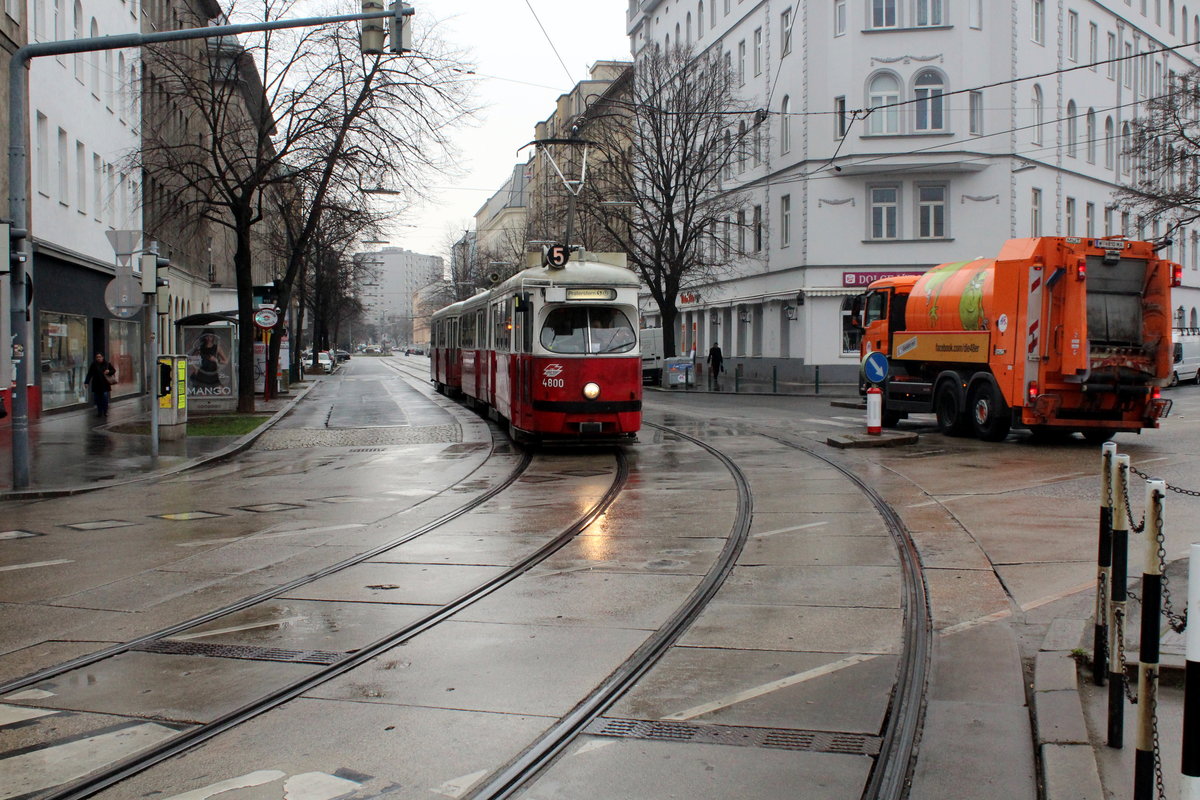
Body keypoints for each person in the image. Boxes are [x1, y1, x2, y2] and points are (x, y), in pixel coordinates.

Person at [84, 352, 117, 417]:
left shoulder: (107, 364)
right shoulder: (93, 365)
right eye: (97, 357)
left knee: (104, 399)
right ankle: (99, 412)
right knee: (98, 399)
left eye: (100, 357)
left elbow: (113, 370)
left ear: (102, 357)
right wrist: (86, 382)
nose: (98, 358)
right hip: (96, 384)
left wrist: (109, 372)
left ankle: (105, 412)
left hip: (104, 384)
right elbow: (89, 374)